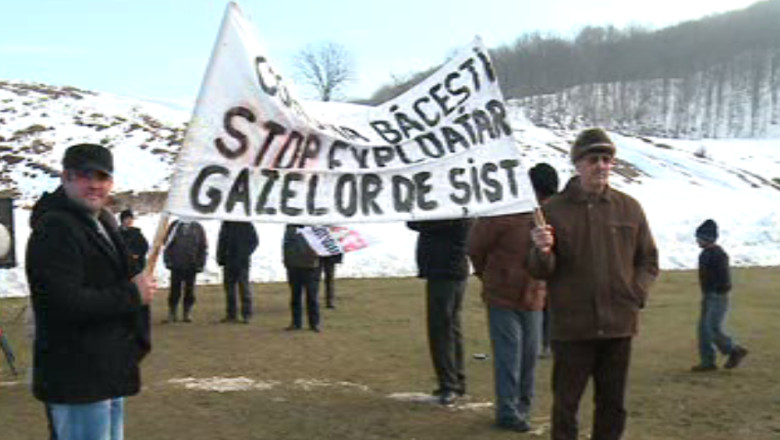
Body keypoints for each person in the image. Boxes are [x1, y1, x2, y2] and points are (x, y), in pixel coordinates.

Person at [528, 128, 659, 440]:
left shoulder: (630, 208)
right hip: (572, 328)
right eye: (593, 159)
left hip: (619, 326)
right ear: (578, 164)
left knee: (613, 406)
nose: (601, 165)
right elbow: (540, 270)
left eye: (606, 159)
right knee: (565, 407)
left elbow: (648, 260)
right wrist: (541, 250)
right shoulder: (552, 211)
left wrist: (635, 293)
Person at [26, 143, 156, 440]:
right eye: (85, 175)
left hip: (105, 368)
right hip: (77, 374)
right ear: (66, 178)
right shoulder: (55, 228)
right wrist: (132, 295)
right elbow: (63, 303)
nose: (95, 184)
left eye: (103, 177)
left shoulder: (101, 222)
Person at [467, 162, 558, 433]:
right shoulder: (500, 212)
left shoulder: (550, 216)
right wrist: (489, 276)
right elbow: (476, 247)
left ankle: (523, 408)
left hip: (534, 296)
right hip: (502, 296)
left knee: (529, 356)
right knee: (509, 355)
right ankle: (508, 411)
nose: (544, 200)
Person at [407, 218, 470, 405]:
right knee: (450, 328)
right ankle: (456, 381)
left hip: (445, 271)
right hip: (448, 270)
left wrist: (419, 218)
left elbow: (416, 223)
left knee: (441, 329)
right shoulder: (459, 213)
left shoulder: (453, 215)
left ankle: (449, 385)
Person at [691, 219, 749, 372]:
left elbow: (724, 278)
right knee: (703, 330)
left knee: (712, 328)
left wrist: (718, 290)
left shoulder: (719, 254)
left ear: (707, 238)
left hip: (718, 296)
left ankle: (734, 350)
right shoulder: (705, 254)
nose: (697, 240)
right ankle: (707, 361)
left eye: (699, 237)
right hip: (708, 295)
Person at [163, 219, 208, 323]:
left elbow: (203, 246)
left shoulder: (198, 227)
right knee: (174, 289)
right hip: (176, 264)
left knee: (189, 290)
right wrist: (168, 260)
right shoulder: (175, 226)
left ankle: (187, 312)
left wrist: (201, 263)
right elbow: (167, 244)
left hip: (191, 264)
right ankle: (172, 312)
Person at [217, 221, 258, 324]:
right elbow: (221, 241)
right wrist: (220, 257)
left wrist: (245, 253)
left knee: (244, 288)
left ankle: (246, 314)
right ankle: (231, 314)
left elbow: (254, 241)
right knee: (229, 290)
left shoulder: (246, 223)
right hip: (228, 261)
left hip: (242, 262)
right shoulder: (226, 223)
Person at [283, 224, 322, 332]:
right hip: (294, 266)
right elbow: (286, 246)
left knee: (311, 297)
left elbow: (320, 247)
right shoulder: (290, 228)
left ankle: (314, 323)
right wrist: (287, 261)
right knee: (296, 296)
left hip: (310, 267)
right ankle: (297, 323)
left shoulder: (314, 229)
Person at [118, 209, 149, 276]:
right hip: (123, 265)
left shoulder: (136, 232)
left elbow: (145, 246)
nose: (129, 221)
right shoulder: (117, 233)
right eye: (127, 219)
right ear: (122, 220)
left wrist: (138, 254)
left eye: (131, 219)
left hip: (137, 264)